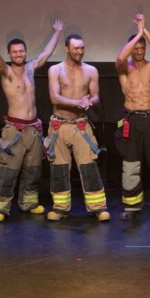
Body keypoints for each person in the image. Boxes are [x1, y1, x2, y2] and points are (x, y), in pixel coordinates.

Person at [0, 17, 63, 222]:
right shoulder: (6, 72)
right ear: (10, 54)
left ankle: (29, 203)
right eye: (15, 52)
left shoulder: (31, 68)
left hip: (33, 129)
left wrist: (57, 32)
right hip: (14, 130)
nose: (18, 54)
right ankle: (0, 207)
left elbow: (46, 53)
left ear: (25, 52)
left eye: (21, 51)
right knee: (8, 169)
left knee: (33, 169)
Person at [114, 13, 150, 221]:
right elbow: (120, 58)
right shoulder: (124, 69)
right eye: (135, 48)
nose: (139, 51)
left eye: (142, 47)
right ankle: (131, 207)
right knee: (131, 165)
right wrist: (136, 35)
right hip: (131, 119)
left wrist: (144, 31)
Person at [46, 33, 110, 222]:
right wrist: (77, 103)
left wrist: (90, 101)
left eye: (82, 48)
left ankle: (98, 207)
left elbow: (96, 96)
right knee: (59, 169)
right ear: (67, 48)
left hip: (81, 126)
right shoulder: (55, 70)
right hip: (59, 126)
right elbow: (54, 98)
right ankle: (60, 208)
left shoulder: (91, 70)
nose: (80, 51)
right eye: (76, 48)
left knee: (89, 167)